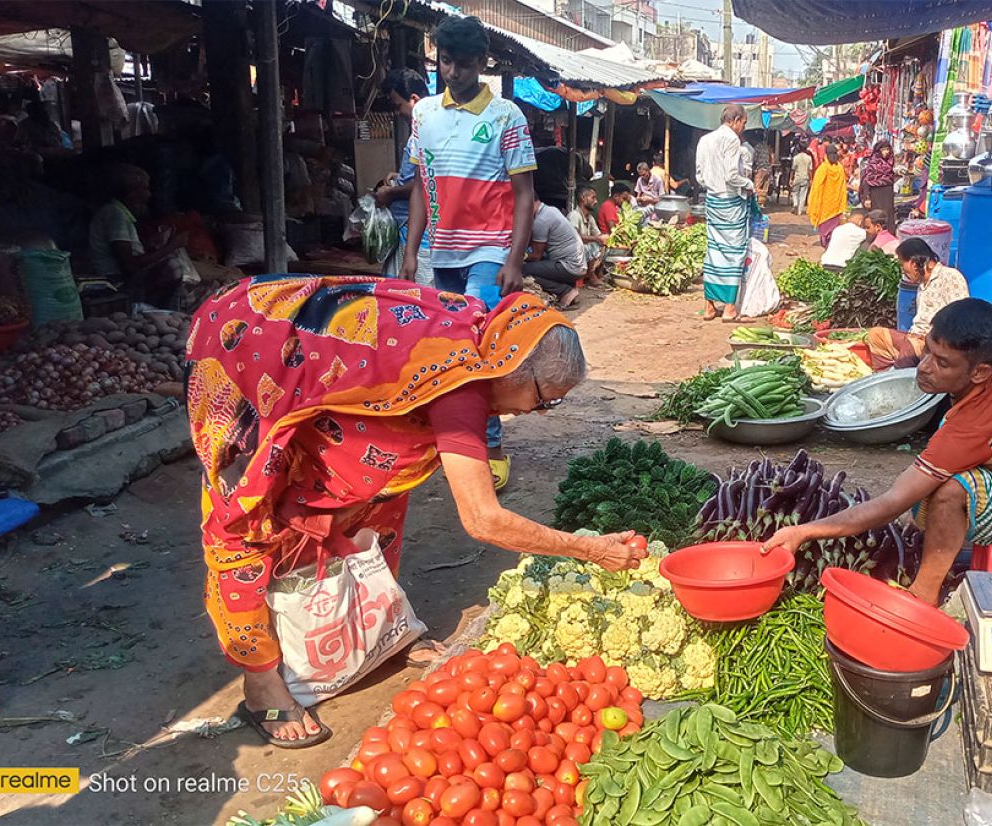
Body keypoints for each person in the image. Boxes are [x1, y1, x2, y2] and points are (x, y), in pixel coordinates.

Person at [188, 277, 648, 747]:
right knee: (247, 521)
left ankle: (378, 630)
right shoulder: (460, 387)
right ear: (514, 366)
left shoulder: (488, 340)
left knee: (378, 495)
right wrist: (587, 549)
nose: (542, 413)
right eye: (545, 398)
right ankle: (259, 679)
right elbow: (483, 519)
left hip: (318, 372)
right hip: (246, 352)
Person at [766, 298, 992, 606]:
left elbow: (892, 503)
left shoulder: (971, 428)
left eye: (943, 363)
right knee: (934, 485)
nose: (925, 368)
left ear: (980, 373)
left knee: (947, 491)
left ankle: (924, 594)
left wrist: (803, 531)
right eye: (929, 351)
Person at [402, 16, 536, 490]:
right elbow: (420, 185)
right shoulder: (424, 115)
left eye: (462, 63)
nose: (452, 71)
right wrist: (411, 250)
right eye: (445, 61)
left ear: (482, 63)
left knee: (479, 348)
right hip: (442, 253)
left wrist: (514, 261)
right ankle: (460, 440)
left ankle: (492, 445)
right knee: (451, 350)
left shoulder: (507, 117)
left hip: (489, 249)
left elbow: (524, 195)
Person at [88, 163, 188, 308]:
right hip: (116, 281)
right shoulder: (115, 216)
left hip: (124, 276)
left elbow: (128, 253)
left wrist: (151, 244)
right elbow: (129, 264)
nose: (149, 195)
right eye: (145, 189)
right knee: (172, 267)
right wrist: (171, 247)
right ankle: (162, 310)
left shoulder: (118, 213)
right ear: (132, 193)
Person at [866, 238, 969, 370]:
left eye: (902, 264)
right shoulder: (922, 285)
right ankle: (883, 375)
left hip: (935, 343)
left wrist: (931, 339)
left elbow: (960, 319)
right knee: (876, 335)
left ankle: (897, 379)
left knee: (911, 345)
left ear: (914, 263)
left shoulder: (950, 276)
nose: (903, 271)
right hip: (914, 338)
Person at [695, 104, 754, 322]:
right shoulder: (731, 140)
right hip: (730, 202)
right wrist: (748, 183)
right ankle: (729, 307)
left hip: (712, 200)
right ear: (736, 120)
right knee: (733, 254)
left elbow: (700, 176)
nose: (743, 128)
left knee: (714, 251)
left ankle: (709, 306)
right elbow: (731, 175)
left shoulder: (705, 140)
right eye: (743, 123)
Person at [373, 69, 432, 282]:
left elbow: (426, 183)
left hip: (418, 233)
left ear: (414, 99)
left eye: (399, 106)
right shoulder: (420, 129)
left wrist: (391, 193)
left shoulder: (428, 128)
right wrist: (399, 176)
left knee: (418, 292)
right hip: (409, 229)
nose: (398, 113)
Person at [526, 199, 587, 309]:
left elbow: (536, 256)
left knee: (523, 270)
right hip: (578, 265)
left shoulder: (541, 220)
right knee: (540, 264)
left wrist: (521, 257)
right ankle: (569, 289)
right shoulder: (551, 210)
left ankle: (565, 291)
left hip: (570, 267)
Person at [808, 146, 848, 247]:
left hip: (824, 204)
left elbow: (816, 187)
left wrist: (814, 202)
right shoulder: (840, 168)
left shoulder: (823, 168)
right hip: (837, 204)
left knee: (825, 225)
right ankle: (831, 242)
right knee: (833, 225)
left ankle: (825, 241)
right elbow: (843, 186)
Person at [568, 186, 606, 284]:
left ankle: (597, 273)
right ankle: (591, 275)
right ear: (583, 198)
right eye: (593, 198)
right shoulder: (574, 215)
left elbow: (599, 235)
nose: (596, 201)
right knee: (592, 245)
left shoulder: (590, 217)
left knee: (603, 245)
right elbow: (575, 237)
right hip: (572, 253)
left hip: (583, 254)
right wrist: (597, 238)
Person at [860, 140, 897, 217]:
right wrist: (867, 198)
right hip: (875, 197)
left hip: (888, 198)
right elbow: (866, 182)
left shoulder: (890, 165)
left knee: (888, 217)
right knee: (877, 218)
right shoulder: (872, 166)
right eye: (883, 150)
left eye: (887, 149)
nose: (886, 152)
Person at [790, 143, 813, 215]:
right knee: (803, 194)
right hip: (805, 178)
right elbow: (810, 170)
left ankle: (795, 203)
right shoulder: (809, 158)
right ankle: (800, 211)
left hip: (797, 177)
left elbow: (793, 169)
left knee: (795, 192)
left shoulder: (795, 158)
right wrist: (811, 179)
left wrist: (791, 178)